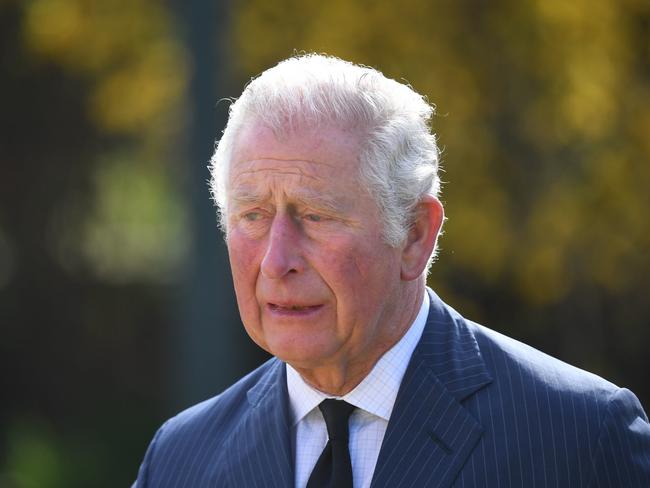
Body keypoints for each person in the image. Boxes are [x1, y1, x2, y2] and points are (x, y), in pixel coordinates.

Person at [133, 54, 650, 487]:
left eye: (316, 216)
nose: (275, 260)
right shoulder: (180, 460)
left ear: (415, 235)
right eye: (252, 216)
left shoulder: (578, 437)